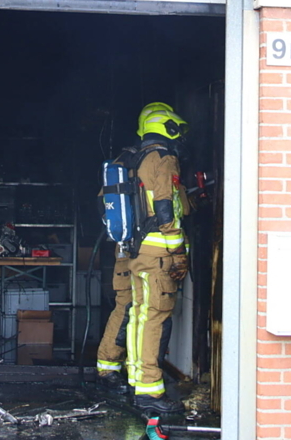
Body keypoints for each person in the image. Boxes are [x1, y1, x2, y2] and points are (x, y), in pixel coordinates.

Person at [96, 103, 190, 416]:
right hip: (156, 254)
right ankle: (149, 389)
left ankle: (138, 380)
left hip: (132, 250)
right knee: (153, 316)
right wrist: (178, 252)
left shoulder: (129, 158)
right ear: (168, 125)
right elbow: (166, 207)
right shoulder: (162, 157)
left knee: (136, 313)